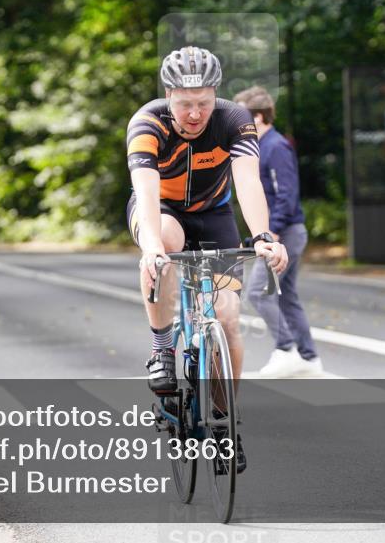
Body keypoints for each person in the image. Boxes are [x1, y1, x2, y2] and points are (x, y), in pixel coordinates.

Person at [127, 46, 289, 472]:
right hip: (161, 211)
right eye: (185, 104)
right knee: (163, 242)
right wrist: (151, 250)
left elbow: (249, 181)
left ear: (215, 94)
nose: (195, 114)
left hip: (214, 215)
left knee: (229, 316)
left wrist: (263, 237)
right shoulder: (147, 122)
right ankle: (162, 350)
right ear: (168, 95)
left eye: (203, 103)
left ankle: (225, 422)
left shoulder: (234, 120)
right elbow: (144, 188)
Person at [234, 87, 323, 377]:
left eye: (241, 116)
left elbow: (286, 195)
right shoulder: (260, 147)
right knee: (286, 296)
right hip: (283, 232)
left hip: (284, 233)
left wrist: (270, 233)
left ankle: (287, 349)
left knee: (259, 292)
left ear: (258, 117)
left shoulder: (276, 146)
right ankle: (309, 358)